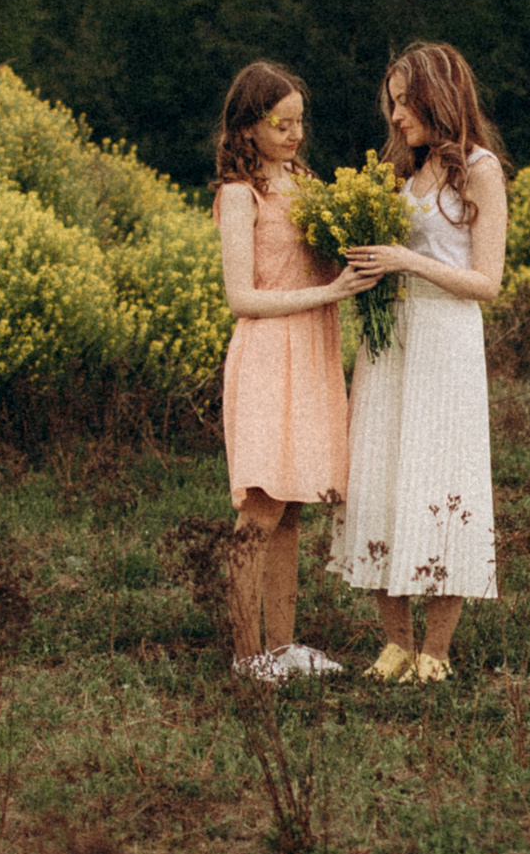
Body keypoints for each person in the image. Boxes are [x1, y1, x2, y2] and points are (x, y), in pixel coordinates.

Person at [332, 41, 505, 681]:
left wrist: (404, 260)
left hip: (447, 339)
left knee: (442, 478)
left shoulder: (480, 170)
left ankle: (436, 650)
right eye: (393, 104)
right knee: (382, 472)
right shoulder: (403, 170)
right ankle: (395, 642)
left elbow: (488, 280)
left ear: (438, 96)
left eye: (406, 103)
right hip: (392, 341)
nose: (397, 117)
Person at [213, 60, 363, 679]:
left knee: (294, 506)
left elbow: (319, 268)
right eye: (282, 124)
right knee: (262, 506)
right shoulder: (237, 195)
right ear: (249, 126)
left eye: (301, 122)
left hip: (312, 353)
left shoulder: (305, 184)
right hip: (269, 355)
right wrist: (331, 295)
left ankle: (282, 646)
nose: (296, 135)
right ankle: (246, 654)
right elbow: (242, 299)